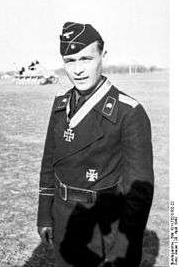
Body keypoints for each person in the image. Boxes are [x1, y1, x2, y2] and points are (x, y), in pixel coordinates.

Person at [37, 22, 154, 267]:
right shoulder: (60, 104)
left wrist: (122, 250)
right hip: (64, 219)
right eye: (70, 61)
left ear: (103, 56)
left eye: (86, 59)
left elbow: (138, 195)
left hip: (103, 228)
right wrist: (45, 214)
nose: (78, 70)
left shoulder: (129, 112)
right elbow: (49, 162)